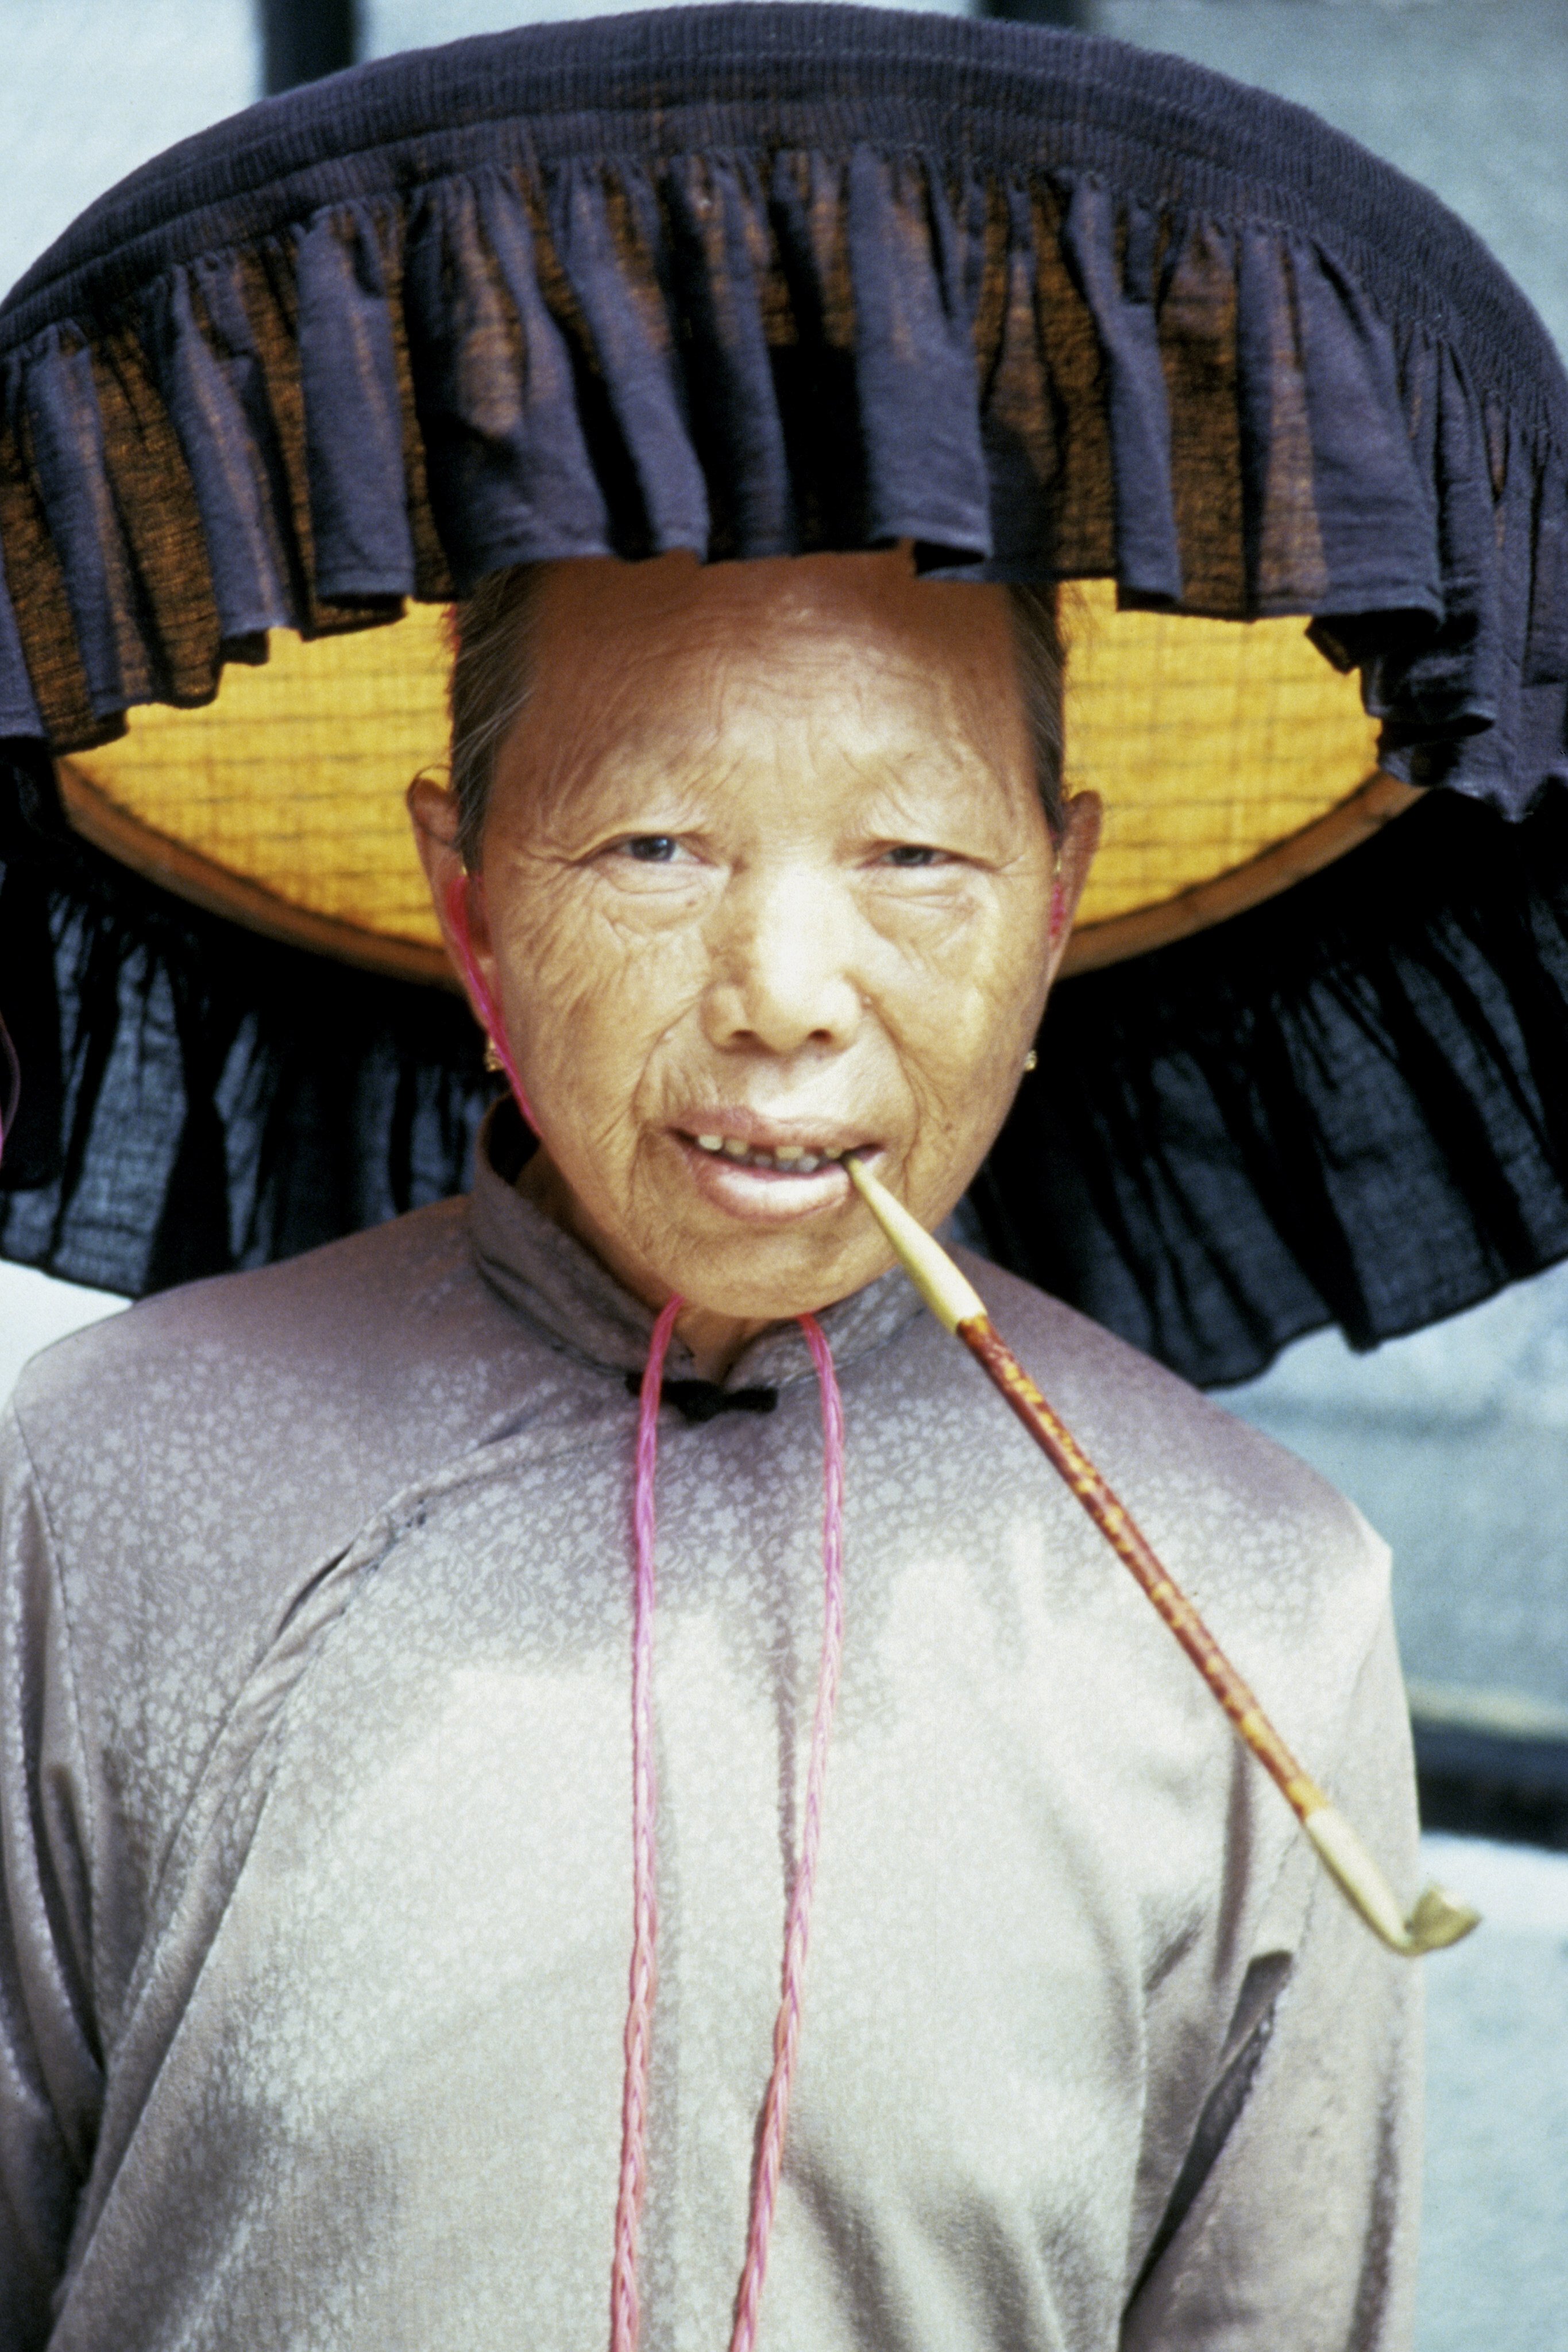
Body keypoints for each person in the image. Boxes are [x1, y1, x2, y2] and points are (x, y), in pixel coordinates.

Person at [1, 542, 1420, 2351]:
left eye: (912, 857)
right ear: (471, 896)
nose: (784, 990)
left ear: (1054, 899)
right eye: (653, 848)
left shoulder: (1257, 1606)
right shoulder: (113, 1477)